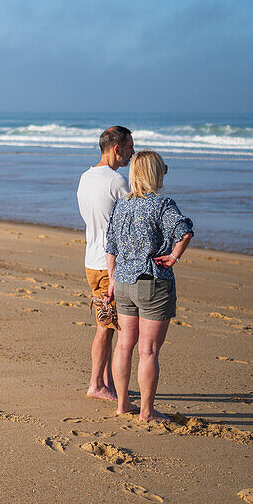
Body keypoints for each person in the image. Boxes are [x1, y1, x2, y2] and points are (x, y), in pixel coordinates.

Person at [104, 150, 193, 422]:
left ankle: (122, 405)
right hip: (153, 281)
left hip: (123, 282)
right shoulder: (163, 204)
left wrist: (111, 280)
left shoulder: (123, 205)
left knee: (123, 346)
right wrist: (174, 256)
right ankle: (146, 411)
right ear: (155, 173)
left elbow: (110, 246)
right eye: (162, 168)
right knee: (149, 351)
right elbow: (184, 232)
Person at [76, 126, 134, 403]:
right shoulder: (117, 181)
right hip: (108, 264)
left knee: (108, 326)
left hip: (91, 259)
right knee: (106, 326)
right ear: (117, 148)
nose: (133, 153)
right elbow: (132, 222)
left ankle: (106, 381)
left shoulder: (85, 177)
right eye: (130, 147)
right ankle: (96, 384)